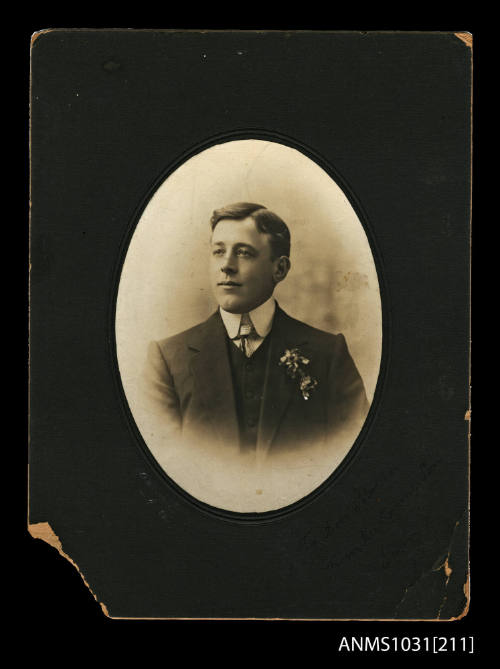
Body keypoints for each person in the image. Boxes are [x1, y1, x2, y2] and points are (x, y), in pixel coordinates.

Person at [141, 202, 369, 459]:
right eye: (218, 251)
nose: (226, 265)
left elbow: (357, 451)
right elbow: (163, 460)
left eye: (244, 253)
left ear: (279, 269)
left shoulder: (328, 354)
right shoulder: (168, 359)